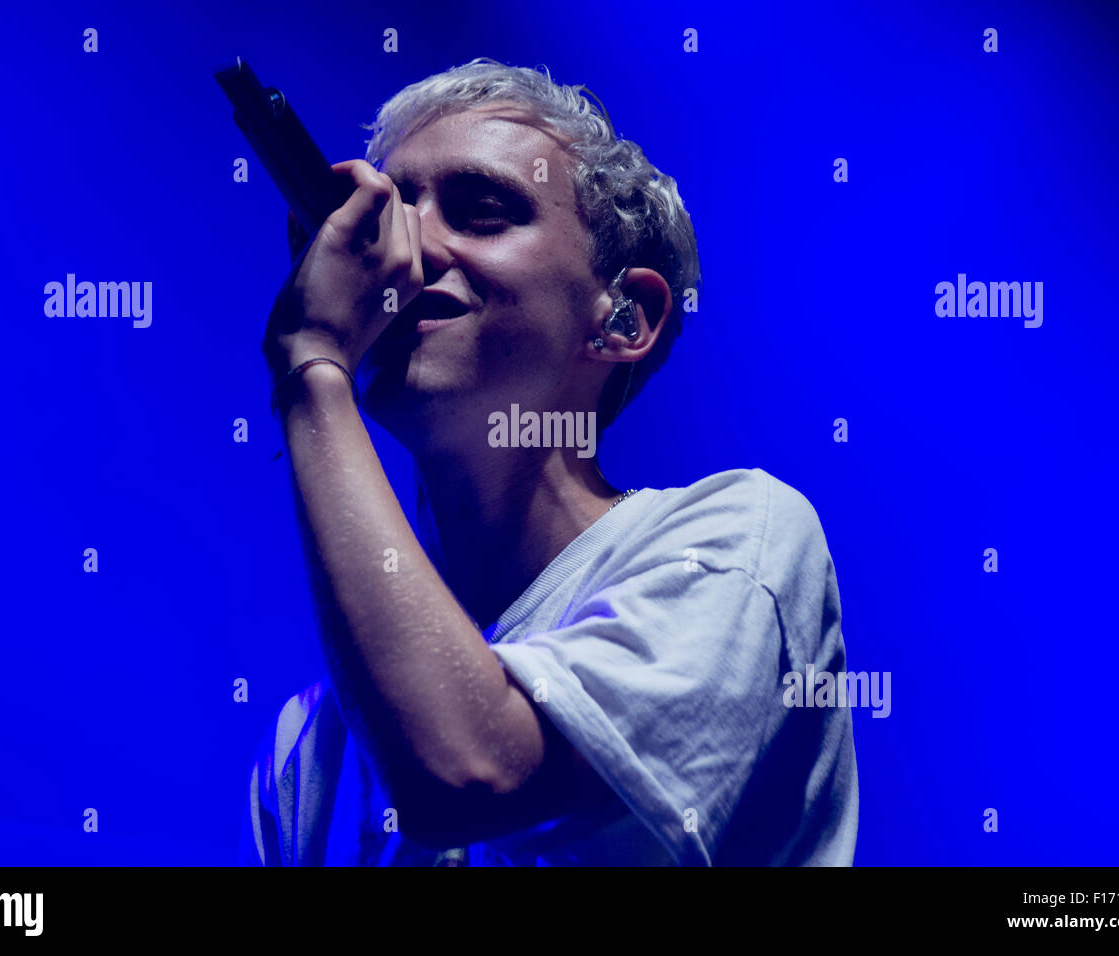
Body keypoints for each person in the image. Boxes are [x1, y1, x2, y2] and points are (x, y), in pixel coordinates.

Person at [241, 58, 858, 865]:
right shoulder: (309, 740)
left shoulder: (739, 541)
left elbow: (471, 771)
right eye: (392, 213)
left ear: (624, 317)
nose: (408, 251)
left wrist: (314, 359)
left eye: (482, 211)